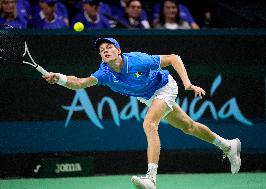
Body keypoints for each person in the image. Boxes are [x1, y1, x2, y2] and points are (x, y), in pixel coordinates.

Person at [43, 38, 241, 189]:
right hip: (148, 96)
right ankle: (228, 145)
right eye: (102, 50)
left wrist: (187, 84)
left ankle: (151, 177)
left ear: (119, 51)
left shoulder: (136, 60)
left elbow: (173, 58)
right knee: (188, 127)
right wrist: (59, 78)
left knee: (149, 124)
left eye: (109, 47)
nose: (105, 51)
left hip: (164, 87)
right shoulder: (104, 73)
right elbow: (80, 82)